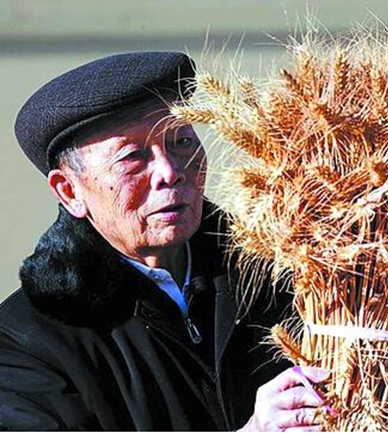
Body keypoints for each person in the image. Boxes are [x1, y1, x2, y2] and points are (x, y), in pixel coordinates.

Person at [0, 51, 328, 431]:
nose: (170, 172)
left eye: (182, 141)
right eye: (133, 157)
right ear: (69, 191)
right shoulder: (24, 342)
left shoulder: (291, 278)